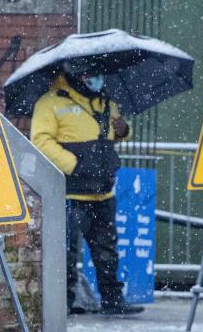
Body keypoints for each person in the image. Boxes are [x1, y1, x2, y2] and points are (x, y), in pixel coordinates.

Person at [30, 59, 144, 316]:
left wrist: (124, 130)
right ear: (78, 76)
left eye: (99, 74)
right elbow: (40, 140)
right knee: (66, 252)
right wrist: (75, 165)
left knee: (107, 249)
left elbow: (117, 132)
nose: (98, 79)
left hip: (103, 191)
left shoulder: (105, 102)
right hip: (70, 193)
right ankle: (64, 304)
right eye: (92, 75)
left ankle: (112, 299)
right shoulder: (51, 102)